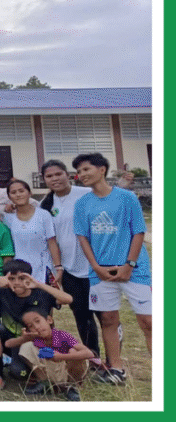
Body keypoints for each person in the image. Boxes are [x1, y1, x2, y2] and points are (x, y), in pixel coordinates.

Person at [72, 152, 151, 384]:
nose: (82, 174)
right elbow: (83, 238)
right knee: (107, 319)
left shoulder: (126, 197)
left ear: (102, 169)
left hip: (134, 269)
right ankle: (116, 370)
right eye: (79, 171)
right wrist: (96, 267)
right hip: (100, 272)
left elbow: (138, 231)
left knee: (149, 322)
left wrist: (129, 265)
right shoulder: (82, 203)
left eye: (86, 169)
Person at [0, 259, 73, 390]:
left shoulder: (41, 294)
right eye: (11, 278)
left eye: (22, 278)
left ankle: (35, 372)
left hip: (35, 342)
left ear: (29, 278)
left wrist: (39, 284)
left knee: (19, 373)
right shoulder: (4, 293)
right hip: (14, 342)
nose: (17, 282)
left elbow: (68, 299)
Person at [37, 159, 99, 358]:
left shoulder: (87, 194)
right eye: (49, 176)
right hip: (69, 269)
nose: (55, 179)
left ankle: (113, 362)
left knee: (105, 316)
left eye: (58, 174)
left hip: (95, 266)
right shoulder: (45, 205)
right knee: (82, 316)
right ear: (44, 179)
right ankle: (93, 356)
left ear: (69, 174)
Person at [10, 309, 93, 401]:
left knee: (73, 351)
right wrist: (25, 338)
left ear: (49, 320)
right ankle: (46, 383)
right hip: (53, 370)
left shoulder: (62, 335)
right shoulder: (37, 339)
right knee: (26, 347)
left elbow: (89, 353)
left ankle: (71, 387)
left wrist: (61, 357)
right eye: (31, 326)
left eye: (38, 321)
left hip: (67, 370)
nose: (37, 327)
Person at [2, 179, 57, 284]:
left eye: (21, 191)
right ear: (9, 197)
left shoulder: (43, 215)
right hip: (19, 270)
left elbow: (52, 242)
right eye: (13, 193)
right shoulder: (8, 219)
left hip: (43, 268)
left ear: (29, 193)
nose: (18, 195)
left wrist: (58, 267)